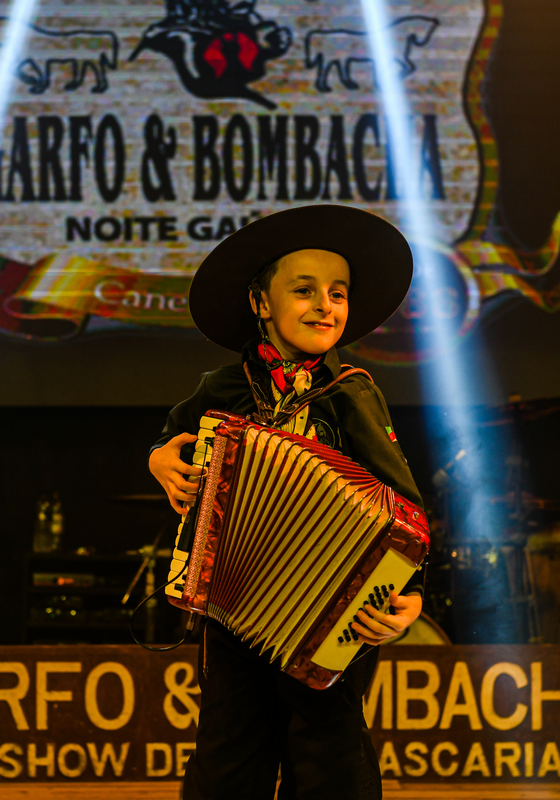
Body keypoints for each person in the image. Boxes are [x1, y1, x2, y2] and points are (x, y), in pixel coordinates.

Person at [148, 205, 427, 800]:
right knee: (227, 758)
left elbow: (405, 511)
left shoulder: (351, 395)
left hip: (334, 612)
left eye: (338, 293)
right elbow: (172, 442)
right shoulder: (220, 389)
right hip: (232, 606)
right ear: (260, 302)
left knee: (330, 762)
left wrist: (412, 595)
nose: (325, 305)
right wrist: (159, 462)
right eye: (304, 290)